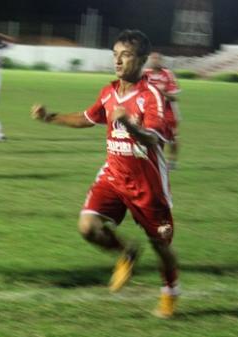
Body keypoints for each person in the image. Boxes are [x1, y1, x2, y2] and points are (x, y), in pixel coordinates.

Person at [30, 30, 179, 318]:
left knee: (160, 244)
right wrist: (50, 117)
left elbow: (152, 138)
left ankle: (170, 291)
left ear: (142, 60)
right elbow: (87, 118)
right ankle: (126, 251)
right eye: (115, 54)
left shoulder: (151, 97)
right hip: (113, 174)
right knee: (87, 227)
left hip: (148, 186)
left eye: (126, 55)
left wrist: (130, 125)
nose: (118, 61)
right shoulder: (109, 92)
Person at [143, 52, 181, 169]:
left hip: (168, 111)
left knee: (173, 138)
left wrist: (157, 92)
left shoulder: (167, 74)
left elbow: (174, 97)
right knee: (150, 136)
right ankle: (154, 161)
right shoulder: (145, 74)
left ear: (161, 61)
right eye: (152, 59)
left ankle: (172, 161)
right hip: (151, 111)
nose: (155, 61)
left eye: (157, 59)